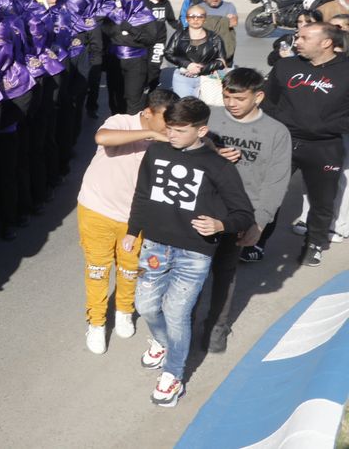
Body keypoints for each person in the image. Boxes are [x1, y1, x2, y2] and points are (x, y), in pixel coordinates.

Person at [125, 97, 253, 408]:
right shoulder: (155, 152)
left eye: (180, 130)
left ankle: (173, 375)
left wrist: (220, 224)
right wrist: (132, 230)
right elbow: (142, 193)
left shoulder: (218, 166)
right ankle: (164, 342)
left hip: (194, 254)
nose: (172, 135)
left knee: (177, 313)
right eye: (169, 129)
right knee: (145, 305)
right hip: (154, 245)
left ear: (201, 130)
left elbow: (243, 213)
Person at [197, 68, 292, 353]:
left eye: (239, 98)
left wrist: (259, 224)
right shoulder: (210, 119)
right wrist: (211, 150)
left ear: (258, 97)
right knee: (190, 273)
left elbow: (276, 183)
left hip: (240, 215)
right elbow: (182, 149)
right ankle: (181, 326)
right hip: (202, 209)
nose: (231, 104)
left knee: (225, 272)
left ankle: (216, 327)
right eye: (226, 97)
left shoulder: (276, 133)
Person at [76, 89, 176, 354]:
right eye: (166, 120)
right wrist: (150, 135)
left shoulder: (170, 137)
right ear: (148, 112)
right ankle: (96, 323)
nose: (170, 126)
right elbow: (103, 137)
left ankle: (124, 310)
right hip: (97, 209)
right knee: (98, 270)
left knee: (130, 268)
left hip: (135, 218)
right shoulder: (122, 121)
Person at [259, 22, 349, 266]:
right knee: (269, 195)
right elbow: (268, 102)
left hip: (325, 147)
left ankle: (315, 243)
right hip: (283, 143)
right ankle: (257, 240)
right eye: (298, 36)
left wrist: (327, 127)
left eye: (304, 38)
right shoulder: (286, 65)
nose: (296, 42)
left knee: (322, 200)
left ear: (326, 43)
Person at [163, 6, 226, 98]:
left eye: (200, 16)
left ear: (205, 19)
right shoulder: (178, 35)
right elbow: (168, 53)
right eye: (192, 16)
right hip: (182, 78)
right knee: (183, 108)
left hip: (206, 79)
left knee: (201, 110)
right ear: (187, 19)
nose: (195, 19)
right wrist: (187, 64)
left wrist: (202, 68)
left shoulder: (215, 38)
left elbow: (222, 61)